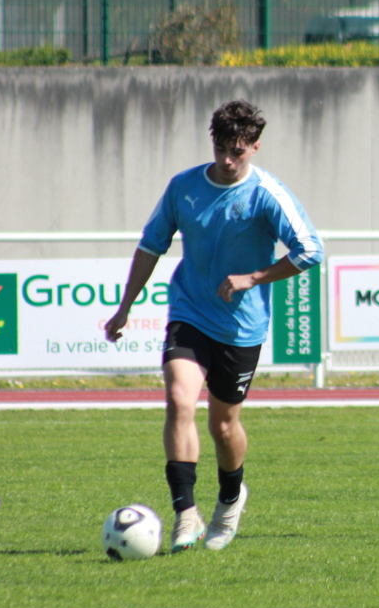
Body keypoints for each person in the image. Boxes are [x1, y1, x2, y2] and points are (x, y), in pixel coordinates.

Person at [105, 99, 323, 553]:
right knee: (178, 399)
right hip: (189, 312)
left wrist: (254, 278)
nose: (226, 160)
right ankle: (186, 514)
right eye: (221, 149)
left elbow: (310, 250)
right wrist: (125, 306)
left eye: (237, 152)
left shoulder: (267, 194)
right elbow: (151, 245)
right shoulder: (184, 186)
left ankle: (230, 498)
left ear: (255, 147)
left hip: (241, 328)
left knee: (223, 426)